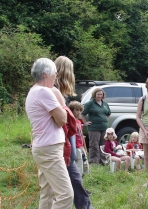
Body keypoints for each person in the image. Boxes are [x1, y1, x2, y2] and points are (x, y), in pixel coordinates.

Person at [25, 58, 74, 209]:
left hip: (43, 147)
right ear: (46, 74)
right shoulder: (44, 92)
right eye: (54, 74)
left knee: (48, 193)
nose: (56, 77)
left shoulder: (33, 91)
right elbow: (62, 119)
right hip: (50, 149)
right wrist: (61, 110)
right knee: (66, 195)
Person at [53, 56, 93, 209]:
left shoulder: (60, 93)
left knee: (73, 181)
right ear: (66, 72)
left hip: (61, 143)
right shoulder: (56, 93)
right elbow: (64, 123)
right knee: (74, 182)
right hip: (60, 144)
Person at [81, 88, 110, 165]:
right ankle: (94, 161)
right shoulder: (90, 103)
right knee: (94, 144)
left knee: (103, 144)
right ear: (94, 95)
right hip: (94, 128)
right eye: (98, 94)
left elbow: (108, 114)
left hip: (104, 127)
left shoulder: (105, 104)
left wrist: (103, 120)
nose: (100, 96)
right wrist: (85, 122)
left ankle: (103, 160)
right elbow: (82, 113)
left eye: (101, 94)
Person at [69, 100, 90, 176]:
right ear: (71, 111)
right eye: (77, 110)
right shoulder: (71, 122)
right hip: (76, 147)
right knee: (79, 165)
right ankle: (78, 181)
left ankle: (81, 179)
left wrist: (85, 147)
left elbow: (81, 135)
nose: (79, 112)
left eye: (80, 110)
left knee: (85, 165)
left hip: (81, 146)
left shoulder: (79, 122)